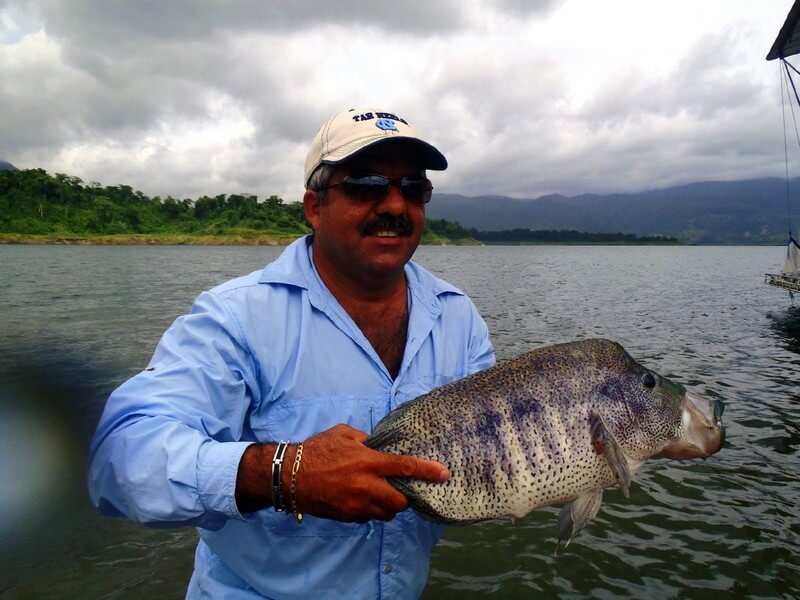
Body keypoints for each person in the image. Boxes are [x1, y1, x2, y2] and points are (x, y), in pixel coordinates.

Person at [87, 107, 495, 599]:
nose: (394, 205)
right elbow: (120, 457)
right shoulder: (237, 317)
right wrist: (286, 473)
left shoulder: (459, 318)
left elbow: (493, 454)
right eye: (366, 185)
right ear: (314, 206)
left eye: (412, 188)